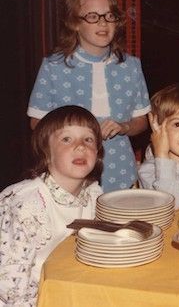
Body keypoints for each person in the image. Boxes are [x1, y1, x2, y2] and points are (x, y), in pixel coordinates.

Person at [27, 0, 150, 192]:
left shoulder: (131, 66)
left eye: (109, 16)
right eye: (93, 16)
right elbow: (36, 122)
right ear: (74, 23)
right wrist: (73, 133)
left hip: (120, 169)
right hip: (70, 169)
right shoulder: (54, 67)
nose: (103, 23)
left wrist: (125, 127)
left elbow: (142, 121)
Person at [0, 105, 103, 306]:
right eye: (67, 139)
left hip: (66, 291)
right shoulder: (26, 205)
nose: (81, 146)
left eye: (88, 139)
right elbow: (9, 287)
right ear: (46, 153)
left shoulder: (93, 195)